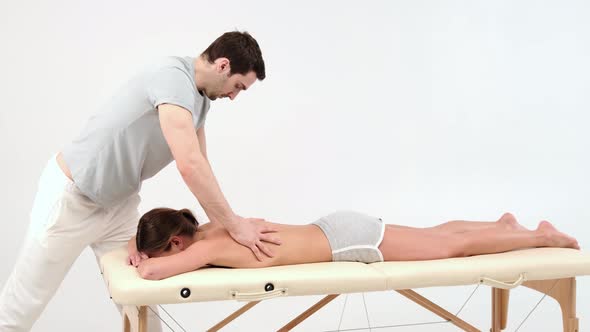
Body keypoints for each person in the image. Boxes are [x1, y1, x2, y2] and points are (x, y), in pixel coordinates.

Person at [0, 31, 280, 332]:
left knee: (142, 305)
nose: (234, 96)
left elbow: (202, 165)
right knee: (25, 304)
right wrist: (236, 227)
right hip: (72, 198)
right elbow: (189, 165)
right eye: (238, 86)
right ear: (223, 66)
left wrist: (225, 230)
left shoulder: (200, 102)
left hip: (118, 206)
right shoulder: (173, 78)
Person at [132, 209, 580, 280]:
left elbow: (153, 272)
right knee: (437, 236)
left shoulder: (205, 247)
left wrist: (139, 260)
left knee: (447, 248)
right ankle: (503, 225)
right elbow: (158, 262)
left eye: (167, 251)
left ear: (176, 241)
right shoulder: (211, 225)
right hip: (338, 229)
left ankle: (540, 235)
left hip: (348, 243)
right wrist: (140, 248)